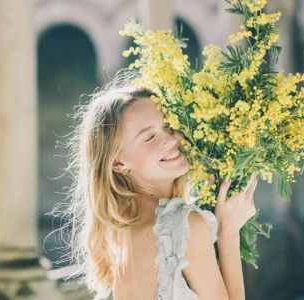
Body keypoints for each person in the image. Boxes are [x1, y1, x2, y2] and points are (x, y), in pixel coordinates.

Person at [62, 82, 258, 300]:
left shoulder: (119, 232)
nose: (172, 139)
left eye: (169, 126)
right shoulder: (183, 226)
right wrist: (228, 232)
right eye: (149, 137)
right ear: (117, 163)